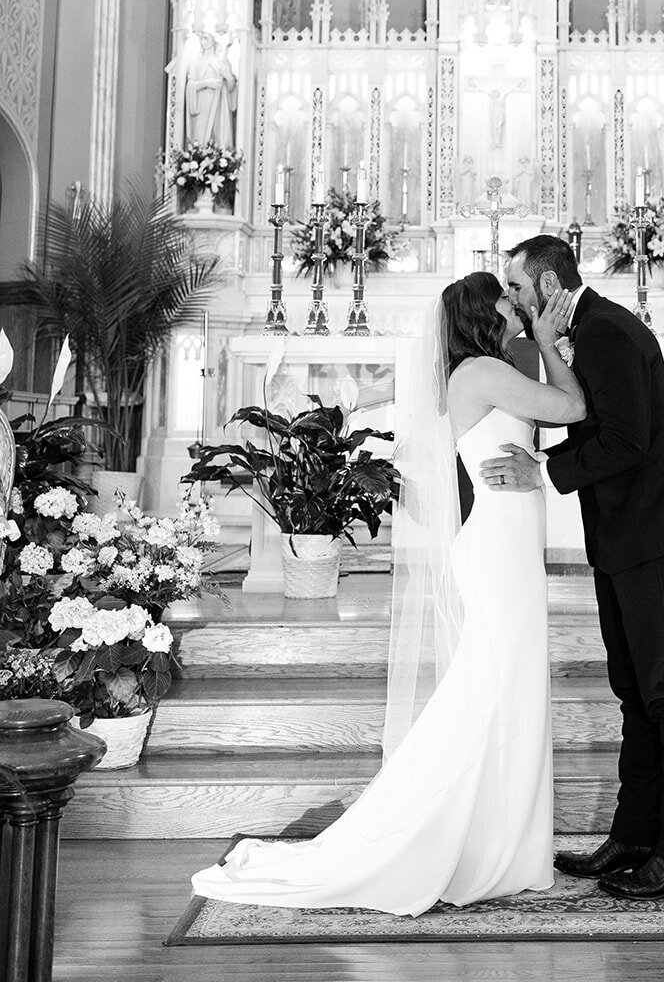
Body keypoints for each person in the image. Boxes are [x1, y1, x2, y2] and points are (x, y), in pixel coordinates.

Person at [190, 270, 583, 913]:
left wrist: (539, 351)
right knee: (493, 686)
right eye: (505, 297)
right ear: (483, 314)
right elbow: (572, 408)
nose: (516, 303)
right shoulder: (483, 372)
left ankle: (501, 842)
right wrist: (545, 338)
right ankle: (468, 840)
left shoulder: (486, 370)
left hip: (508, 543)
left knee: (509, 685)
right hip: (497, 544)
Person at [486, 235, 664, 901]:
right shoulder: (584, 330)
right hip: (627, 530)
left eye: (516, 287)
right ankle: (636, 836)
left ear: (547, 285)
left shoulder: (607, 332)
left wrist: (543, 470)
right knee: (636, 689)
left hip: (655, 528)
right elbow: (597, 421)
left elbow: (627, 439)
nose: (510, 298)